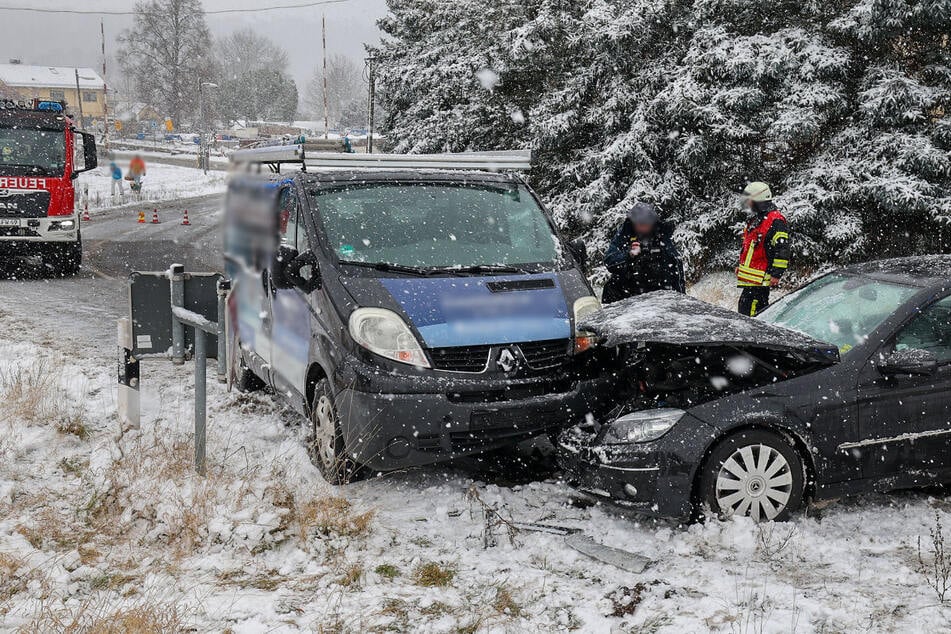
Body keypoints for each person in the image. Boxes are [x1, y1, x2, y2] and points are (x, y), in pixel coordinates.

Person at [602, 201, 685, 303]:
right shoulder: (625, 234)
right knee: (611, 287)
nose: (643, 228)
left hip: (658, 291)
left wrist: (680, 299)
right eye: (640, 224)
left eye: (646, 224)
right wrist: (629, 255)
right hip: (626, 292)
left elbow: (676, 264)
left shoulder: (661, 236)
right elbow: (609, 261)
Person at [736, 181, 791, 316]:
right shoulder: (757, 219)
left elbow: (782, 249)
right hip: (752, 282)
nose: (747, 204)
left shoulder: (775, 220)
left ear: (758, 200)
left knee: (753, 316)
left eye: (750, 201)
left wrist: (776, 274)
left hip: (760, 283)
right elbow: (750, 249)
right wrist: (741, 267)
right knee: (744, 311)